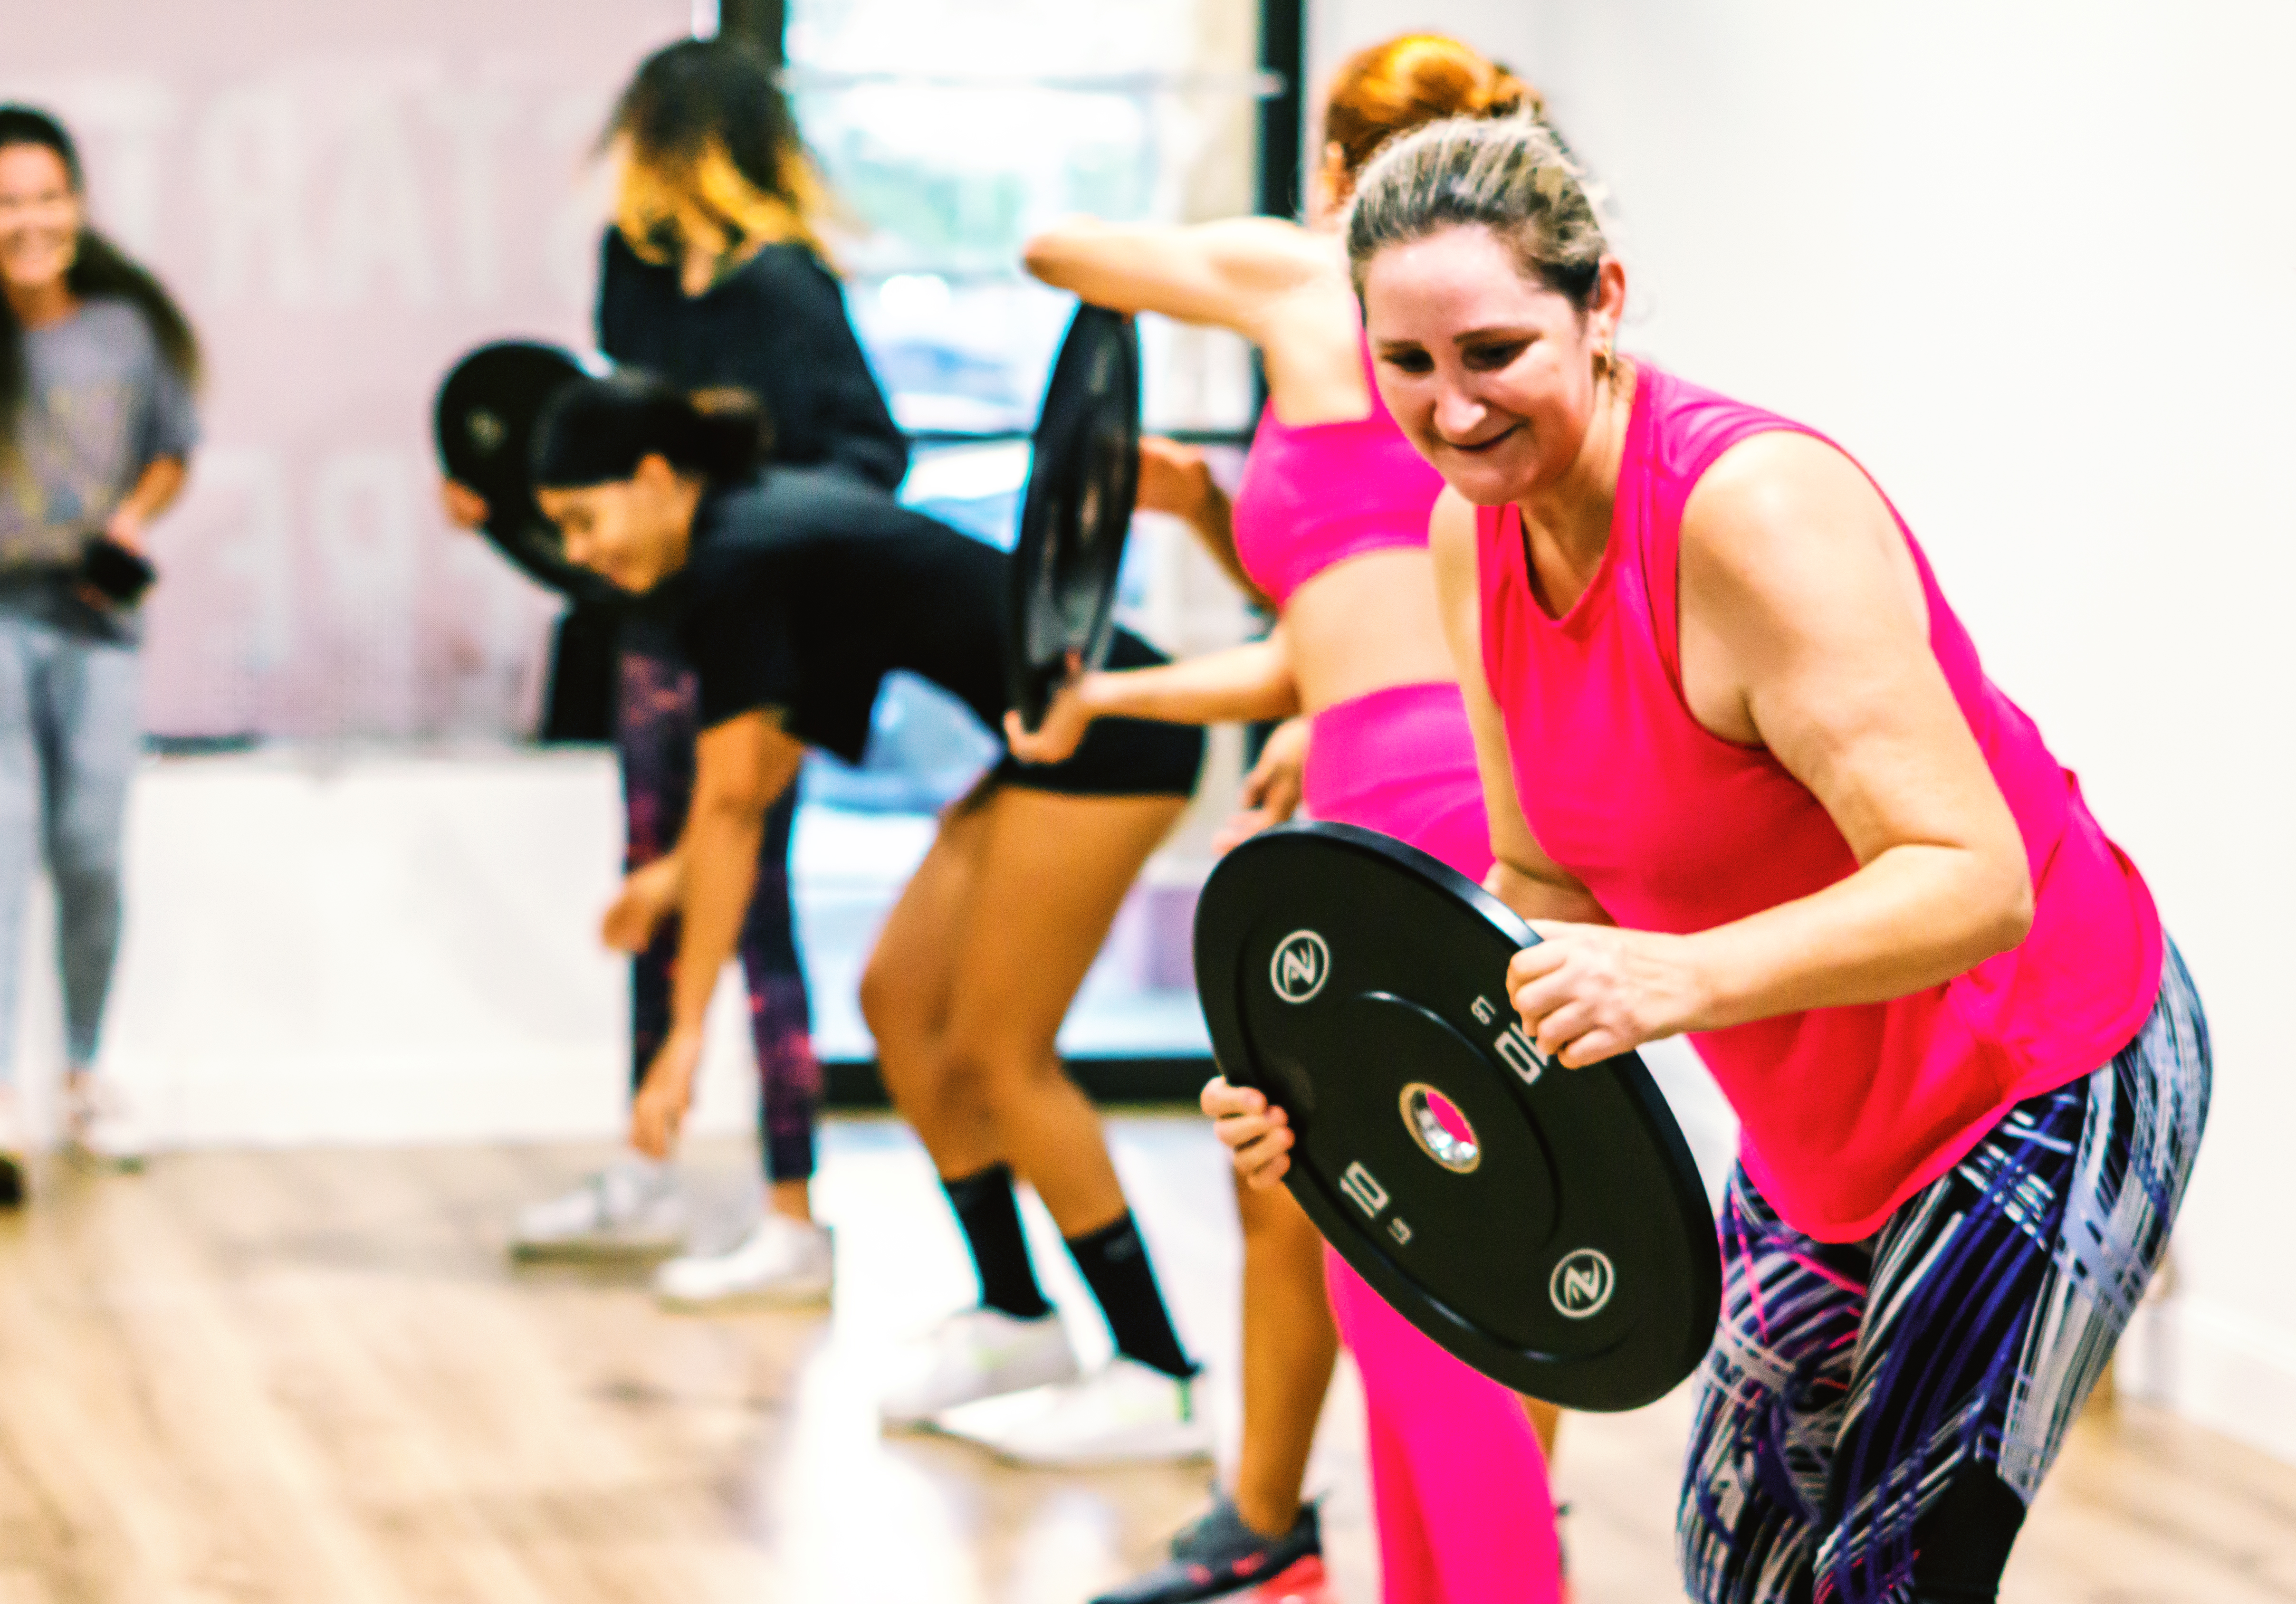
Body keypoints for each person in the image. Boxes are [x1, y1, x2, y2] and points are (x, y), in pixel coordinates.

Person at [1213, 113, 2206, 1604]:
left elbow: (1974, 874)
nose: (1451, 409)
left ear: (1601, 302)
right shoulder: (1466, 538)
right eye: (1405, 365)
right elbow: (1538, 889)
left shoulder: (1749, 513)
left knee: (1889, 1572)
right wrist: (1340, 1092)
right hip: (1819, 1131)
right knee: (1740, 1563)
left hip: (2039, 1075)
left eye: (1492, 352)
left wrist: (1676, 975)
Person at [1015, 35, 1561, 1604]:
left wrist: (1279, 244)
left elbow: (1054, 250)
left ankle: (1477, 1570)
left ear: (1333, 167)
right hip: (1433, 780)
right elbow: (1332, 634)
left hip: (1392, 817)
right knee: (1464, 1233)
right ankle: (1457, 1565)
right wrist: (1118, 694)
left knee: (1396, 1244)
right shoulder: (1487, 346)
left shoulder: (1311, 270)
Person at [535, 373, 1215, 1464]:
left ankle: (1160, 1372)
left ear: (659, 480)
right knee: (898, 1003)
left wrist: (682, 1039)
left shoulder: (731, 559)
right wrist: (671, 881)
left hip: (1114, 738)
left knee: (1001, 1052)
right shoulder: (759, 526)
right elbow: (759, 764)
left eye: (583, 517)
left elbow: (731, 799)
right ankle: (1015, 1317)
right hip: (1043, 741)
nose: (578, 550)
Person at [467, 39, 908, 1310]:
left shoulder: (788, 291)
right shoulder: (636, 276)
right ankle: (648, 1163)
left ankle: (791, 1209)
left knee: (753, 900)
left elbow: (873, 455)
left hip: (763, 640)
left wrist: (758, 530)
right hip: (656, 633)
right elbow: (621, 448)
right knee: (655, 895)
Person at [0, 104, 202, 1208]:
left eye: (49, 195)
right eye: (8, 200)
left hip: (97, 625)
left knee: (92, 851)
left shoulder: (128, 327)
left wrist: (132, 517)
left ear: (77, 202)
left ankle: (85, 1071)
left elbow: (171, 450)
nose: (32, 219)